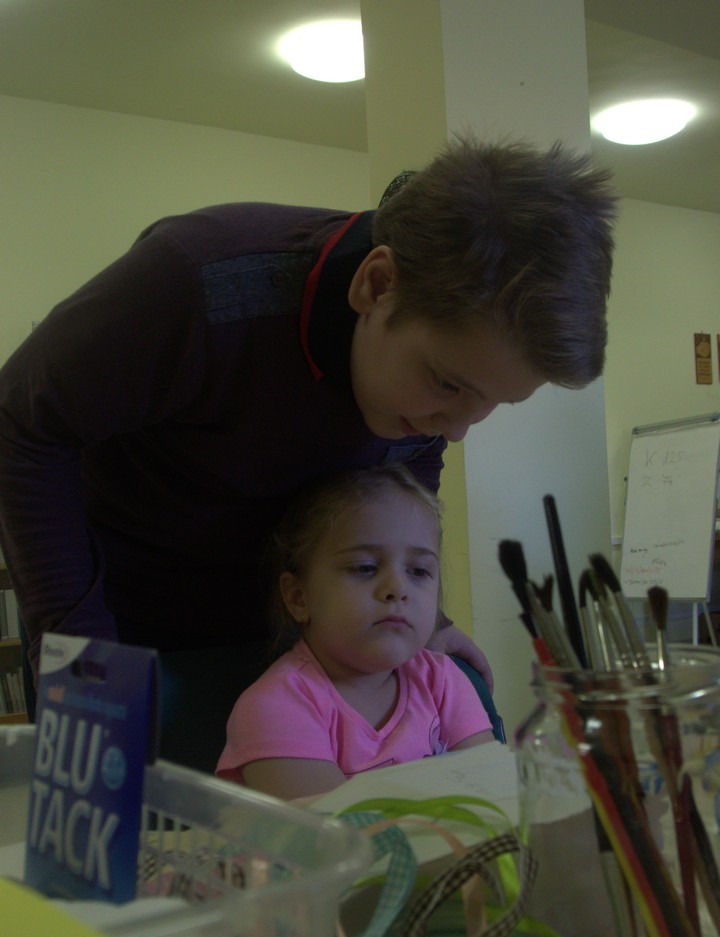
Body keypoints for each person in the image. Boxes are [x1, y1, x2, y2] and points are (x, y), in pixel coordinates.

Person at [0, 136, 616, 772]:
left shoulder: (424, 388)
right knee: (127, 828)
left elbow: (403, 478)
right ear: (378, 285)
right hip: (120, 616)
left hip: (301, 633)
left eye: (493, 403)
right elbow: (21, 422)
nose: (456, 431)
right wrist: (81, 648)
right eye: (446, 384)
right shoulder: (199, 280)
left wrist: (426, 618)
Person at [216, 465, 495, 800]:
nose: (397, 588)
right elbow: (332, 830)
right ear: (299, 597)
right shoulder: (276, 706)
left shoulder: (443, 681)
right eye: (365, 567)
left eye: (419, 571)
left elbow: (493, 796)